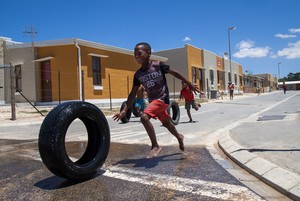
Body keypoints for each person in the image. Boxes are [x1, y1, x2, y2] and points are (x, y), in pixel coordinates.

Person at [113, 42, 199, 158]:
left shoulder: (158, 66)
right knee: (168, 124)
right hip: (154, 101)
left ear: (149, 53)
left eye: (139, 53)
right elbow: (132, 94)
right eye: (135, 54)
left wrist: (189, 84)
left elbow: (175, 73)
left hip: (162, 99)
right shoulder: (138, 75)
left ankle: (155, 145)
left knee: (144, 117)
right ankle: (179, 137)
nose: (136, 56)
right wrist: (124, 110)